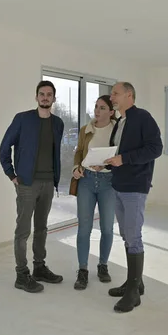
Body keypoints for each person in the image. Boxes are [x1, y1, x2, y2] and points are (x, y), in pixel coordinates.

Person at [0, 80, 65, 293]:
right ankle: (21, 274)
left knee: (42, 228)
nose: (45, 97)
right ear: (36, 97)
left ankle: (39, 267)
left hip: (48, 183)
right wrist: (11, 174)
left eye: (49, 94)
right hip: (27, 183)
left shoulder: (58, 123)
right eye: (42, 94)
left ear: (54, 98)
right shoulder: (23, 119)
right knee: (23, 230)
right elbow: (4, 146)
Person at [104, 82, 163, 312]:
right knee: (126, 234)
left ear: (130, 95)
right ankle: (134, 283)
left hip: (135, 188)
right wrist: (107, 164)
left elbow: (155, 148)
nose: (112, 97)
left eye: (116, 94)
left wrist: (124, 159)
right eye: (112, 94)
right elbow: (117, 153)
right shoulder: (120, 121)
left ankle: (133, 294)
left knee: (133, 236)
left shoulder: (142, 117)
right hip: (118, 185)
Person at [71, 95, 118, 290]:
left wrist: (108, 165)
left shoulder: (118, 130)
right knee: (84, 228)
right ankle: (82, 270)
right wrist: (76, 167)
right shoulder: (86, 130)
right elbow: (79, 152)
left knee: (107, 228)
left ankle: (103, 266)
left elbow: (121, 155)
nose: (97, 111)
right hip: (87, 181)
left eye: (102, 107)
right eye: (96, 107)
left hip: (109, 182)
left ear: (111, 112)